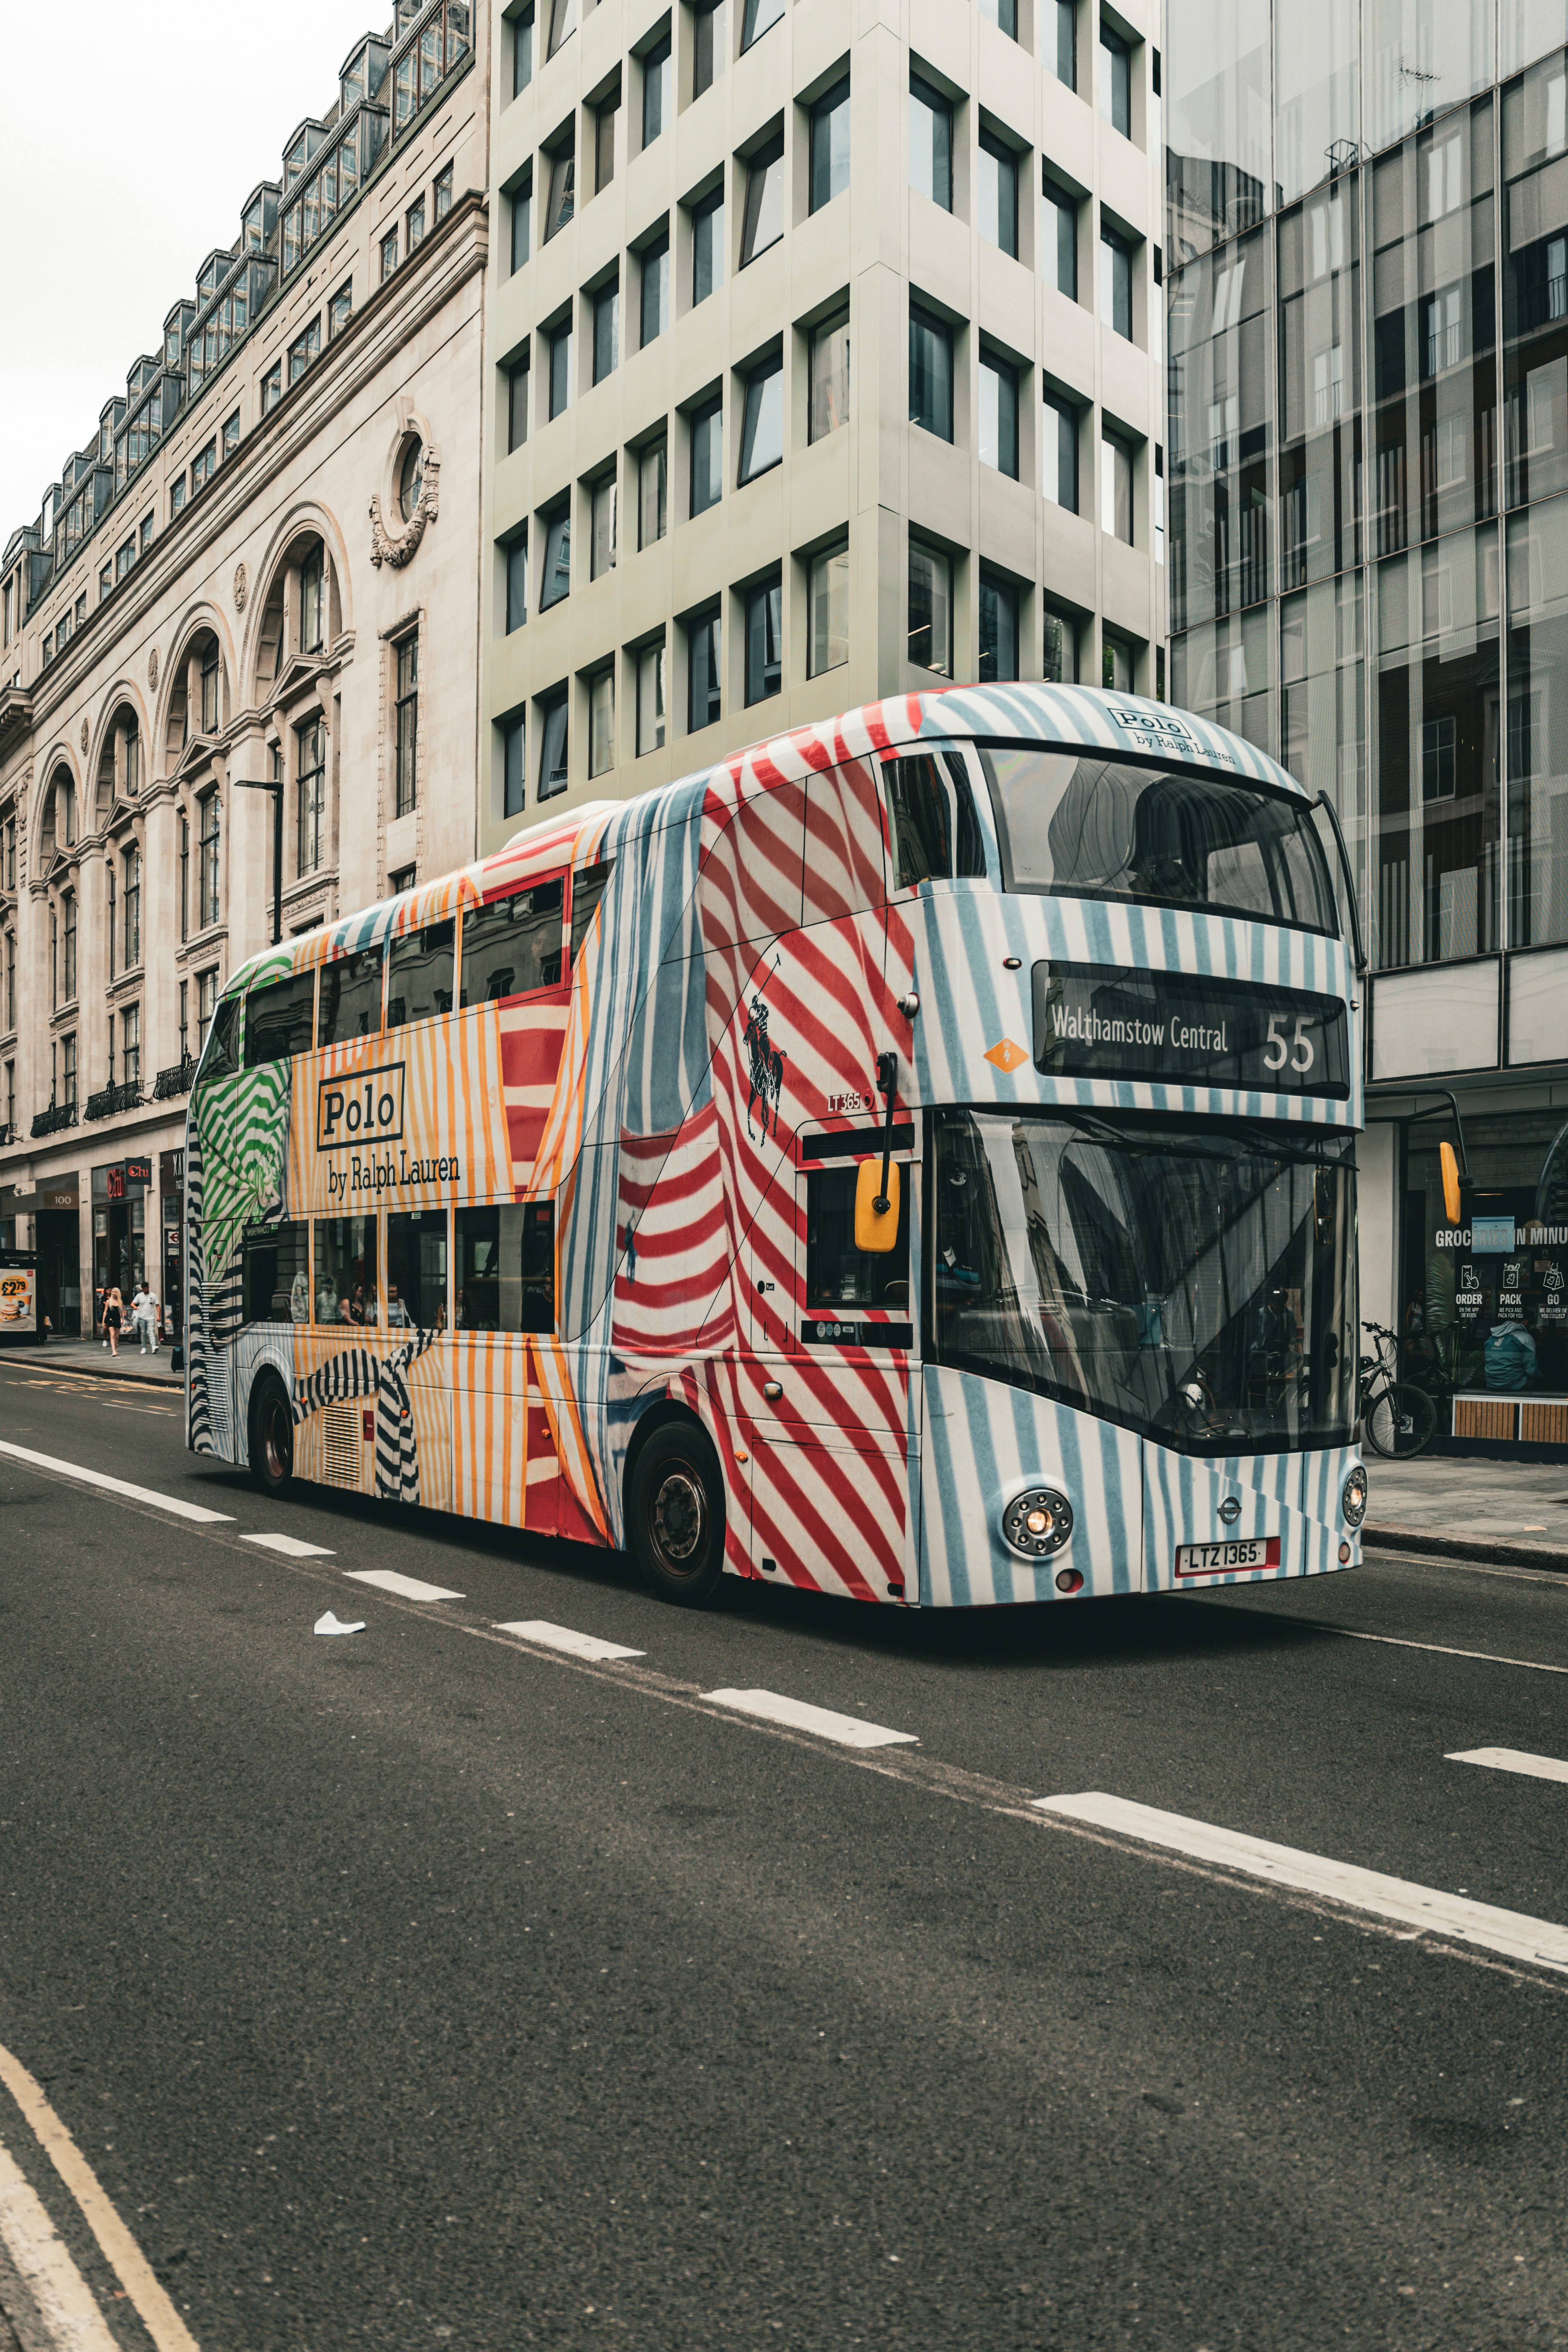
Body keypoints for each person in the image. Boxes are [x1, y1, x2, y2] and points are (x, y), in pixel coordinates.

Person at [130, 1281, 154, 1354]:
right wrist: (134, 1307)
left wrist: (158, 1316)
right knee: (143, 1333)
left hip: (151, 1318)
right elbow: (132, 1303)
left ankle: (154, 1347)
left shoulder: (153, 1296)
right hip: (142, 1317)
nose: (144, 1291)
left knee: (151, 1332)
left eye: (146, 1289)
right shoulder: (139, 1296)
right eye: (143, 1289)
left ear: (148, 1287)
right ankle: (144, 1348)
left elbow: (158, 1306)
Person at [103, 1285, 123, 1358]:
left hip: (118, 1319)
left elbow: (122, 1312)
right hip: (111, 1320)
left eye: (116, 1292)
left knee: (117, 1336)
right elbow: (105, 1312)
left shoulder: (120, 1302)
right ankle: (113, 1351)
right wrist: (103, 1322)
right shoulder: (108, 1301)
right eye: (113, 1292)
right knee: (112, 1335)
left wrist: (122, 1319)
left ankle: (115, 1350)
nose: (114, 1293)